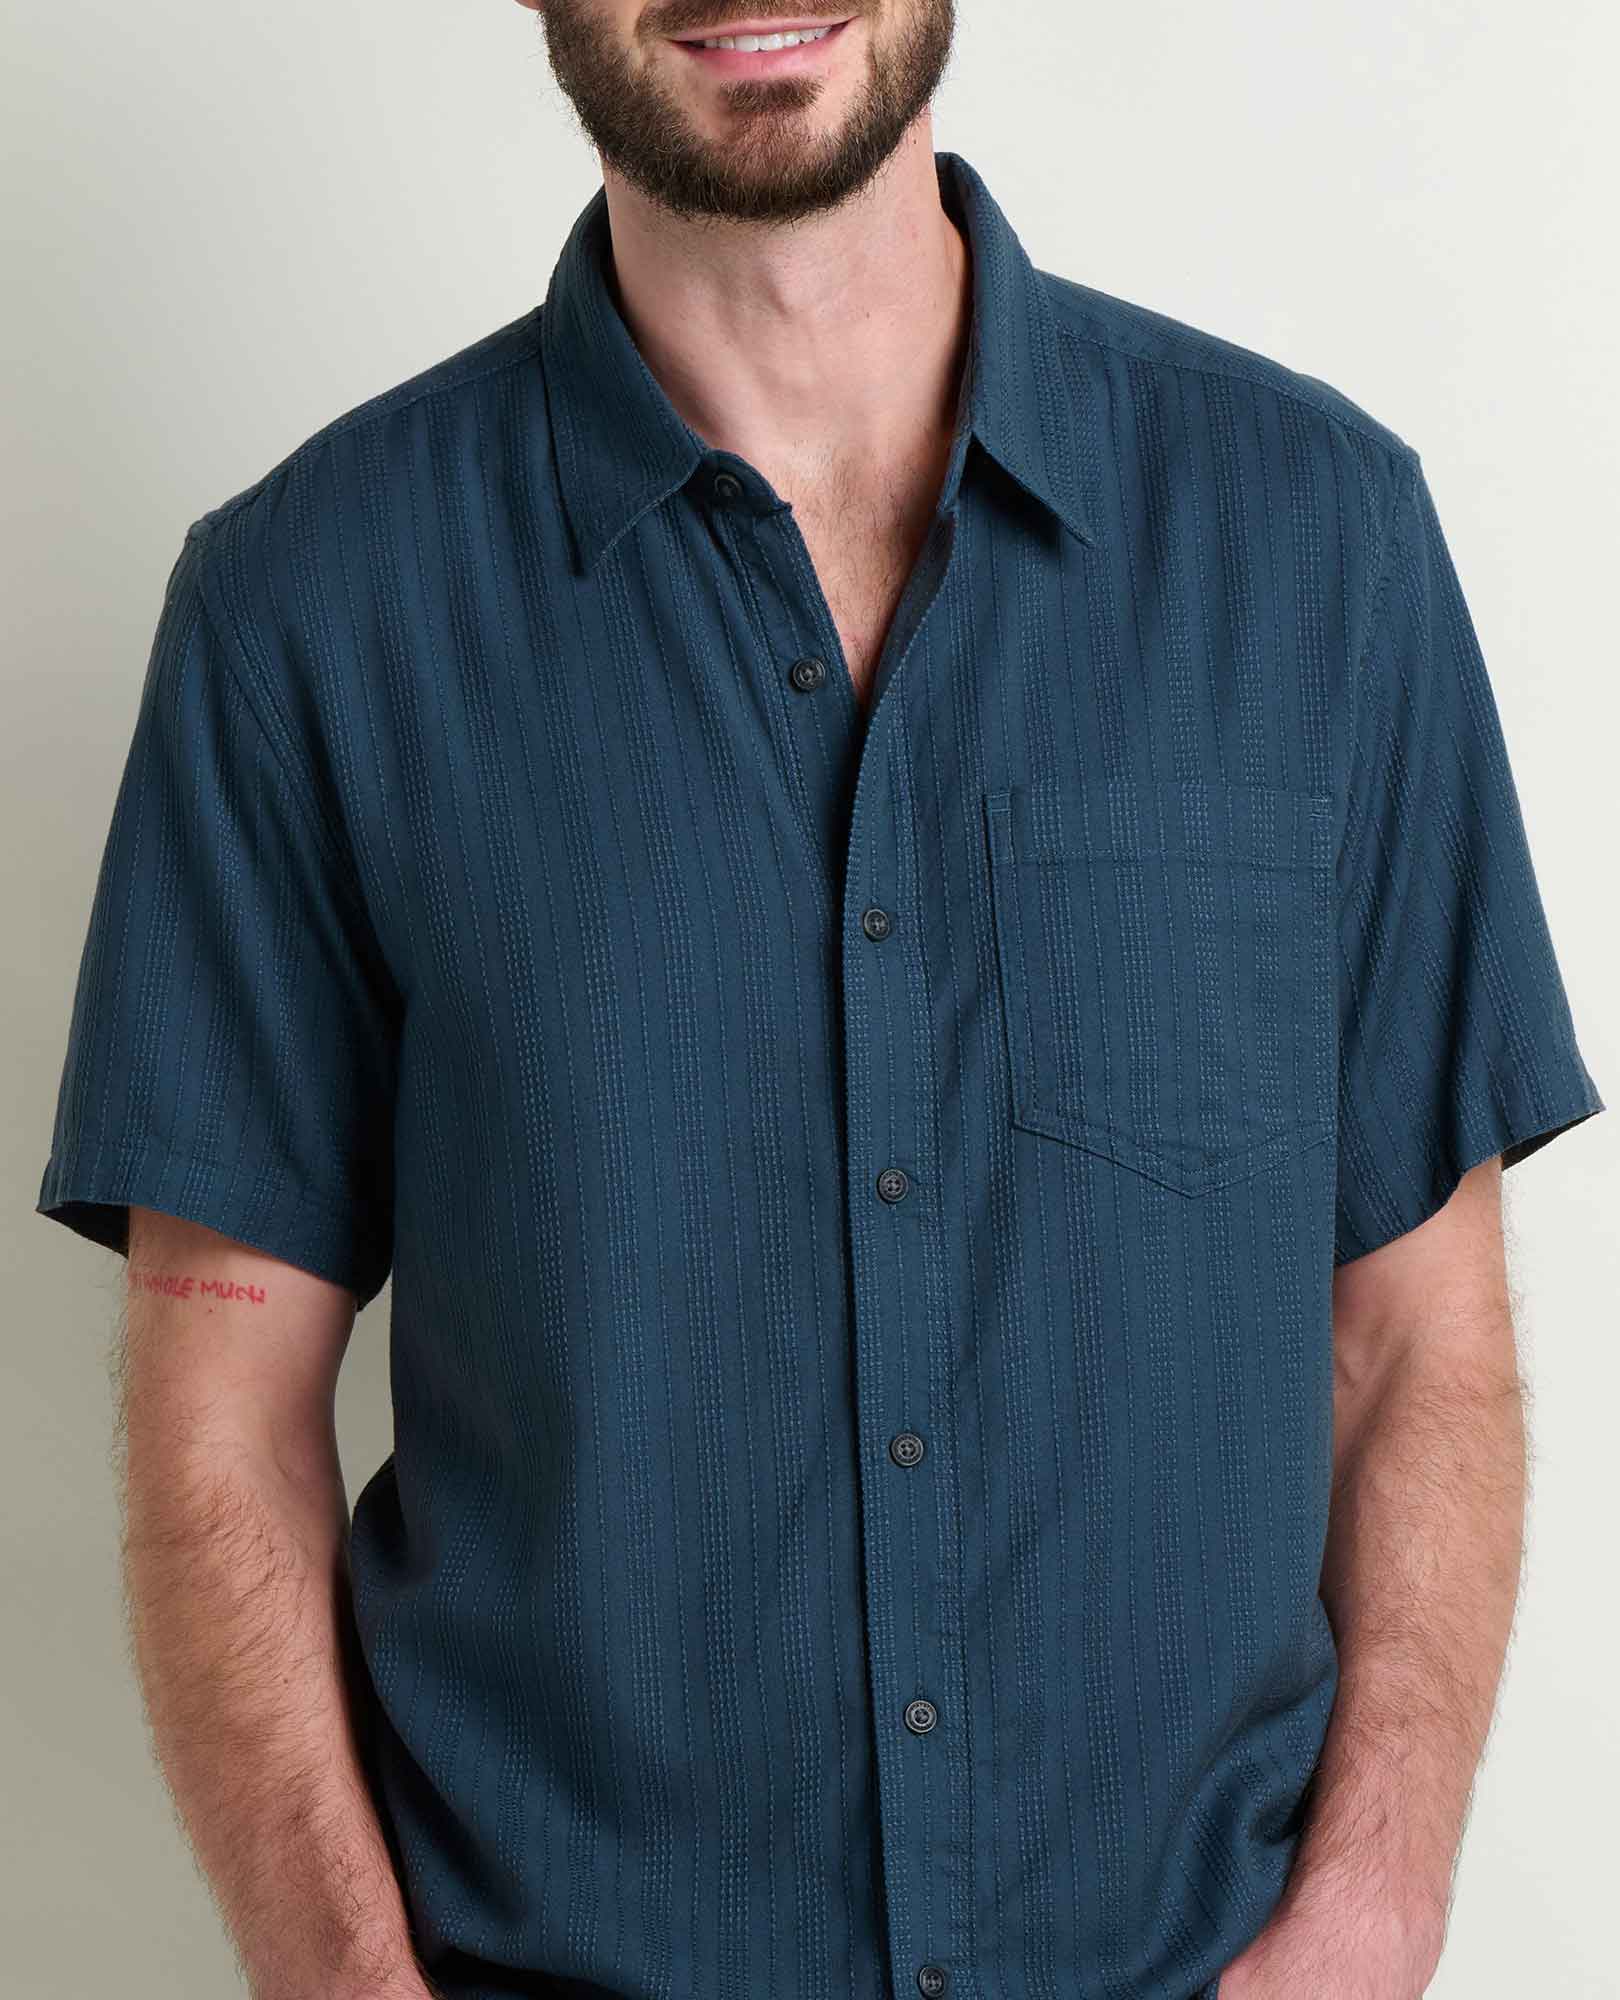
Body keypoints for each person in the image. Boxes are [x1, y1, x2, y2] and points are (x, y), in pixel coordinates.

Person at [35, 3, 1605, 1997]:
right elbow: (221, 1420)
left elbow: (1417, 1346)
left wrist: (1370, 1918)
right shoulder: (305, 613)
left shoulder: (1314, 548)